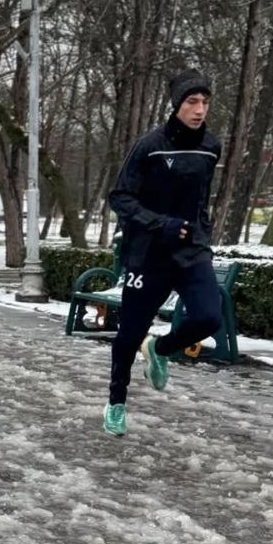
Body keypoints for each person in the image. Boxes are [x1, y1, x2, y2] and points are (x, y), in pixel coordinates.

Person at [103, 70, 224, 437]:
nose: (199, 109)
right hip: (149, 253)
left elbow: (201, 200)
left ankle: (159, 348)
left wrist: (202, 234)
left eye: (205, 102)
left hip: (192, 252)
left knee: (209, 318)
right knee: (129, 335)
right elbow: (119, 197)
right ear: (176, 105)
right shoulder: (150, 146)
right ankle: (116, 403)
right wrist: (160, 224)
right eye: (192, 102)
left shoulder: (211, 147)